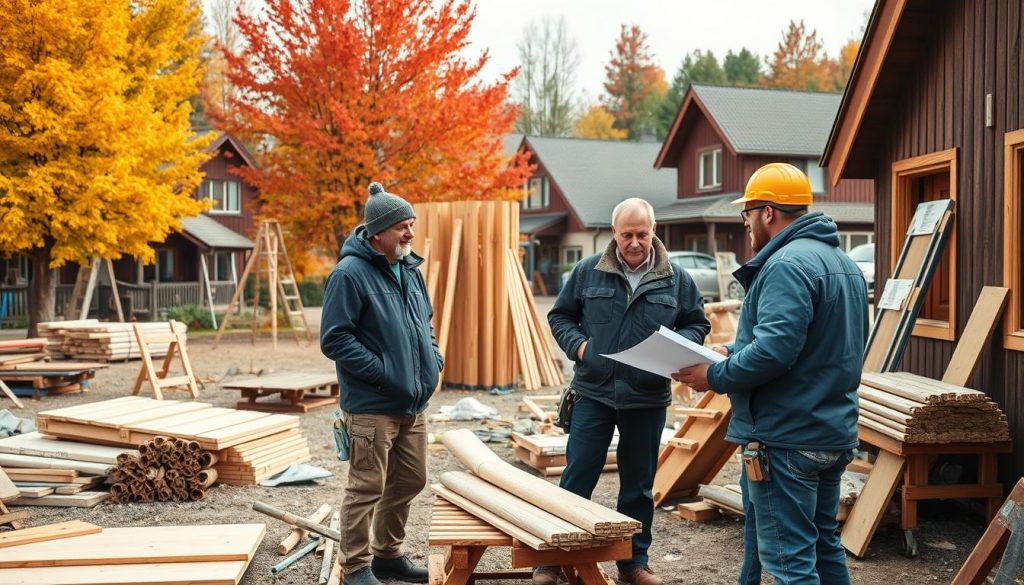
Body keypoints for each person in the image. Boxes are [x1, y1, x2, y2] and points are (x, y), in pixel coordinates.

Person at [673, 163, 868, 585]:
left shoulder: (786, 265)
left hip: (787, 438)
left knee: (789, 562)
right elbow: (813, 345)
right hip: (830, 431)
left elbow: (776, 352)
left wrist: (717, 375)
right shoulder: (843, 263)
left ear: (766, 213)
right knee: (822, 546)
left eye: (746, 214)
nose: (745, 224)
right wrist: (730, 350)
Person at [546, 198, 711, 585]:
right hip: (594, 391)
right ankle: (553, 558)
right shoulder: (588, 272)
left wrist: (678, 347)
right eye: (627, 235)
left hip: (647, 395)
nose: (635, 243)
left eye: (642, 234)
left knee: (638, 485)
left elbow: (696, 324)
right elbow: (560, 316)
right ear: (614, 233)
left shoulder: (678, 279)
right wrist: (581, 347)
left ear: (654, 231)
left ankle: (633, 563)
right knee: (577, 477)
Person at [320, 182, 443, 585]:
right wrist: (384, 371)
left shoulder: (409, 269)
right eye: (402, 227)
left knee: (411, 478)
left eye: (411, 224)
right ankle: (355, 566)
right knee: (366, 486)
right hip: (371, 405)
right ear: (377, 233)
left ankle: (388, 555)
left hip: (413, 404)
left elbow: (425, 324)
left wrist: (433, 360)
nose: (409, 233)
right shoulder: (348, 274)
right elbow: (335, 338)